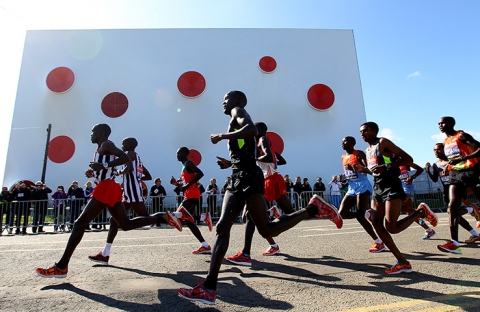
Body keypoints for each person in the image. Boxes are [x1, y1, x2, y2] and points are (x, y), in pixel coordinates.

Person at [178, 90, 342, 305]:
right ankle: (209, 288)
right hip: (240, 175)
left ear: (237, 100)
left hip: (247, 177)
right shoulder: (236, 117)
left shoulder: (238, 110)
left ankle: (312, 208)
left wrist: (222, 136)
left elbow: (251, 130)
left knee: (266, 229)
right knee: (226, 228)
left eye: (225, 99)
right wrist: (231, 163)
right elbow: (247, 151)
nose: (223, 103)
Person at [36, 123, 164, 278]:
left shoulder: (106, 144)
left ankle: (62, 266)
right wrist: (95, 173)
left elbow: (125, 159)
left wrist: (102, 165)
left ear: (101, 133)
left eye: (93, 132)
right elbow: (110, 169)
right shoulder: (102, 147)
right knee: (125, 224)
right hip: (107, 186)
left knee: (80, 224)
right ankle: (163, 217)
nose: (91, 135)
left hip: (106, 188)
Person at [359, 121, 437, 275]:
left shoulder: (383, 143)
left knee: (391, 228)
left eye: (365, 131)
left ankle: (421, 212)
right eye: (361, 131)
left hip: (391, 185)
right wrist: (364, 170)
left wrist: (388, 167)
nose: (362, 134)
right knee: (376, 223)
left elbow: (407, 158)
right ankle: (403, 262)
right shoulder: (368, 150)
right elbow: (376, 170)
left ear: (374, 131)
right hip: (378, 187)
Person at [226, 121, 296, 265]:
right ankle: (272, 244)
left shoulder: (263, 139)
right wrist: (273, 157)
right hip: (266, 179)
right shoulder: (260, 143)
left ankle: (246, 253)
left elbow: (269, 158)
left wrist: (259, 158)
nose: (251, 131)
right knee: (251, 217)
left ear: (261, 130)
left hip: (270, 179)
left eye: (254, 129)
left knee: (251, 216)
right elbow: (279, 160)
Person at [88, 137, 161, 264]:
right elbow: (148, 176)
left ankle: (174, 216)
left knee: (145, 217)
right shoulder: (138, 158)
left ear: (129, 144)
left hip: (132, 190)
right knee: (114, 221)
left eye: (123, 143)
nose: (121, 146)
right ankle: (105, 254)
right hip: (129, 191)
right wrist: (137, 178)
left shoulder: (129, 154)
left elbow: (129, 169)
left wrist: (120, 173)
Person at [436, 117, 480, 254]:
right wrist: (449, 166)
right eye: (438, 124)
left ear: (451, 124)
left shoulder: (461, 135)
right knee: (452, 207)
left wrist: (465, 158)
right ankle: (454, 243)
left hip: (472, 171)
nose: (440, 125)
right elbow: (453, 158)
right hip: (456, 174)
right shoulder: (446, 141)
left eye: (443, 123)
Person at [337, 136, 384, 253]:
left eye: (345, 141)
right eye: (342, 141)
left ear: (352, 143)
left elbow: (371, 170)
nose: (343, 143)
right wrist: (342, 177)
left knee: (359, 216)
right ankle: (365, 215)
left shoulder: (359, 154)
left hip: (362, 185)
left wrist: (359, 168)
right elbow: (348, 173)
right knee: (341, 214)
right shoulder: (343, 157)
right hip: (351, 187)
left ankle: (378, 242)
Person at [425, 143, 480, 242]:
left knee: (452, 213)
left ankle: (471, 210)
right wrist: (428, 171)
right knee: (454, 215)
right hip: (447, 190)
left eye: (439, 149)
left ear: (445, 150)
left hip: (457, 187)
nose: (436, 152)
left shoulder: (453, 161)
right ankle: (474, 232)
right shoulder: (435, 165)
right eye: (434, 150)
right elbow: (434, 179)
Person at [164, 147, 213, 254]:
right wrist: (176, 184)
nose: (177, 155)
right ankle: (205, 245)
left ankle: (204, 217)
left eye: (178, 153)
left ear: (184, 154)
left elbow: (200, 174)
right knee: (188, 221)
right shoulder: (183, 166)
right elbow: (187, 182)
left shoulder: (189, 163)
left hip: (192, 194)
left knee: (175, 215)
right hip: (189, 193)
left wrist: (187, 185)